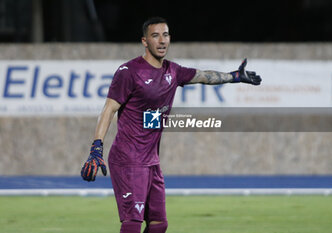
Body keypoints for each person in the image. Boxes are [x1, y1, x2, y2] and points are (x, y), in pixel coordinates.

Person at [81, 16, 261, 233]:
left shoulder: (173, 71)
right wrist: (96, 147)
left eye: (165, 35)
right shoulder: (129, 72)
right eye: (155, 36)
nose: (162, 40)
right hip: (128, 159)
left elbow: (204, 76)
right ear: (145, 41)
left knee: (159, 224)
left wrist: (234, 76)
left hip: (151, 160)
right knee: (132, 223)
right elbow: (109, 108)